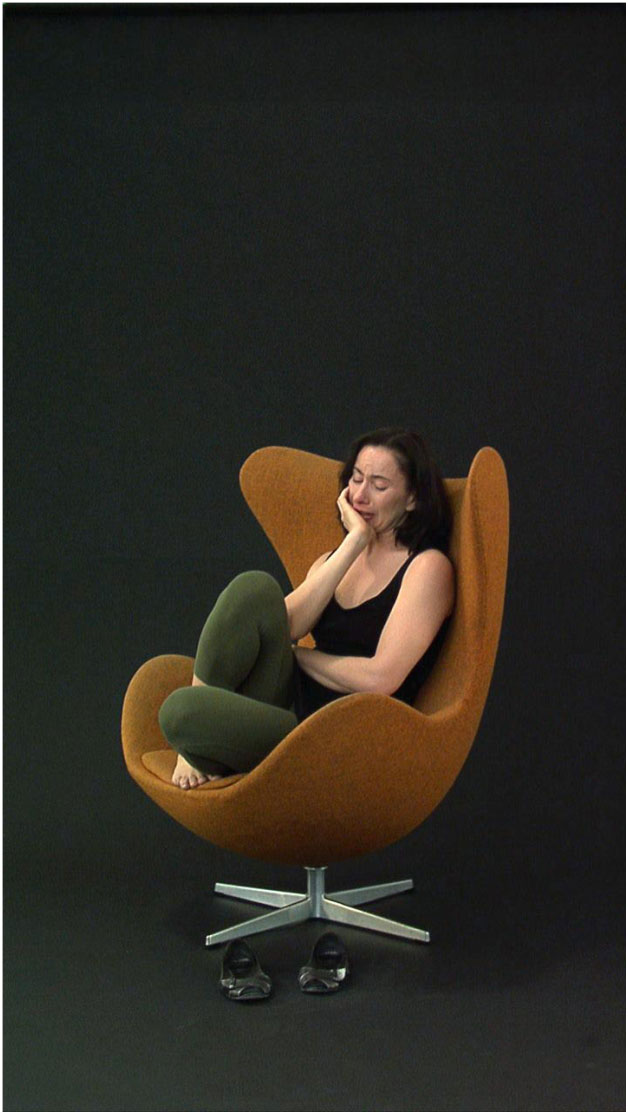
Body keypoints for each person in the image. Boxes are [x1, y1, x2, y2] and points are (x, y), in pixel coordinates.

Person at [158, 427, 456, 789]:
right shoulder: (334, 561)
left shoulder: (427, 568)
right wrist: (354, 543)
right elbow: (280, 626)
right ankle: (193, 749)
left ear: (412, 498)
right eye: (356, 479)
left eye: (379, 486)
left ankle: (198, 742)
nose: (360, 495)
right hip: (285, 710)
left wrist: (301, 656)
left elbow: (381, 679)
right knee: (254, 587)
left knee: (179, 711)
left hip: (333, 732)